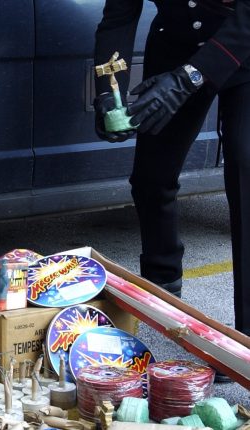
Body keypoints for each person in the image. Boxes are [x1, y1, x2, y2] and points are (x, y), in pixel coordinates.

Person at [93, 1, 250, 380]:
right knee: (151, 177)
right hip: (177, 43)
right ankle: (162, 291)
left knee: (245, 177)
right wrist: (106, 95)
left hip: (244, 48)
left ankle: (243, 342)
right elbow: (118, 16)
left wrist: (186, 79)